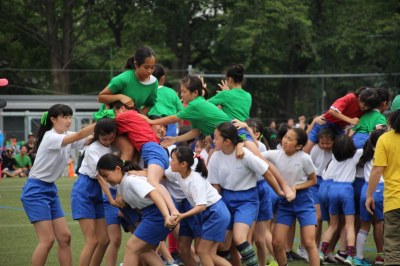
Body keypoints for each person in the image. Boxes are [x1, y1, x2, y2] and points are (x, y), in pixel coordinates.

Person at [20, 104, 95, 266]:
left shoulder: (66, 135)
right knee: (47, 240)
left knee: (64, 238)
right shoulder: (51, 136)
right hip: (35, 190)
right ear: (53, 119)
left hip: (50, 188)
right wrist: (103, 121)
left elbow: (88, 139)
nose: (68, 121)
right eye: (65, 117)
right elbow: (81, 134)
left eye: (70, 117)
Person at [207, 122, 291, 266]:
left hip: (247, 201)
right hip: (226, 200)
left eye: (215, 138)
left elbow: (267, 172)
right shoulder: (215, 157)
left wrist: (279, 191)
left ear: (227, 141)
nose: (213, 141)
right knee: (223, 244)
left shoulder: (245, 154)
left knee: (240, 238)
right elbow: (216, 187)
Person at [96, 153, 174, 266]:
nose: (106, 180)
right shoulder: (121, 186)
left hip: (158, 214)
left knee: (131, 247)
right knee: (143, 250)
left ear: (118, 169)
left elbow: (155, 193)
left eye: (106, 175)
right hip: (153, 214)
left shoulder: (131, 180)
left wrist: (167, 216)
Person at [261, 128, 319, 266]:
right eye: (285, 137)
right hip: (285, 203)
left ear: (299, 146)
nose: (285, 140)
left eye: (290, 139)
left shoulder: (305, 158)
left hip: (304, 202)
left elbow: (313, 181)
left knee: (309, 242)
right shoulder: (275, 154)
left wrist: (294, 188)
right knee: (276, 242)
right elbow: (255, 154)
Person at [167, 146, 231, 266]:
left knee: (202, 251)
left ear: (183, 164)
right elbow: (160, 174)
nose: (170, 162)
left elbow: (201, 206)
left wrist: (182, 216)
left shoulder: (195, 181)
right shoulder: (180, 172)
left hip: (215, 213)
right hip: (210, 212)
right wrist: (138, 172)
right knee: (189, 250)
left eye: (173, 159)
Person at [70, 118, 117, 266]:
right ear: (97, 135)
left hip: (95, 191)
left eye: (111, 138)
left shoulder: (109, 147)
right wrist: (112, 200)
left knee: (104, 240)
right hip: (84, 190)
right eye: (104, 138)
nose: (108, 141)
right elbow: (101, 178)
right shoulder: (92, 148)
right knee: (92, 240)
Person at [366, 95, 400, 265]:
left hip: (394, 201)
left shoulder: (384, 139)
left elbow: (377, 170)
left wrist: (369, 196)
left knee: (393, 248)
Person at [319, 135, 363, 265]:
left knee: (333, 225)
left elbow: (341, 145)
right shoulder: (355, 155)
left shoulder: (334, 156)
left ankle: (322, 252)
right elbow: (370, 148)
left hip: (333, 189)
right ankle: (350, 256)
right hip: (346, 190)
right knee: (349, 225)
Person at [304, 87, 383, 153]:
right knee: (306, 149)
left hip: (339, 128)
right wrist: (350, 120)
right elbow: (332, 111)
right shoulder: (350, 97)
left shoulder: (367, 111)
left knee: (342, 151)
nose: (365, 108)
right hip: (325, 123)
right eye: (364, 104)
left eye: (368, 107)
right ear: (359, 97)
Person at [96, 46, 158, 118]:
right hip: (109, 120)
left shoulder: (153, 83)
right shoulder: (123, 79)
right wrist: (120, 97)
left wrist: (138, 117)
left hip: (130, 121)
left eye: (152, 67)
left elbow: (150, 104)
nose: (149, 71)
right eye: (146, 67)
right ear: (136, 64)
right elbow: (100, 98)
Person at [355, 129, 386, 265]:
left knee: (364, 225)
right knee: (379, 223)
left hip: (365, 189)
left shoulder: (363, 152)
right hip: (379, 188)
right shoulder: (384, 151)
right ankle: (380, 256)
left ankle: (358, 257)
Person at [148, 64, 184, 136]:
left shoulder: (145, 92)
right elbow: (181, 113)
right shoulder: (171, 92)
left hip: (151, 125)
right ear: (163, 78)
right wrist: (181, 129)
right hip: (170, 126)